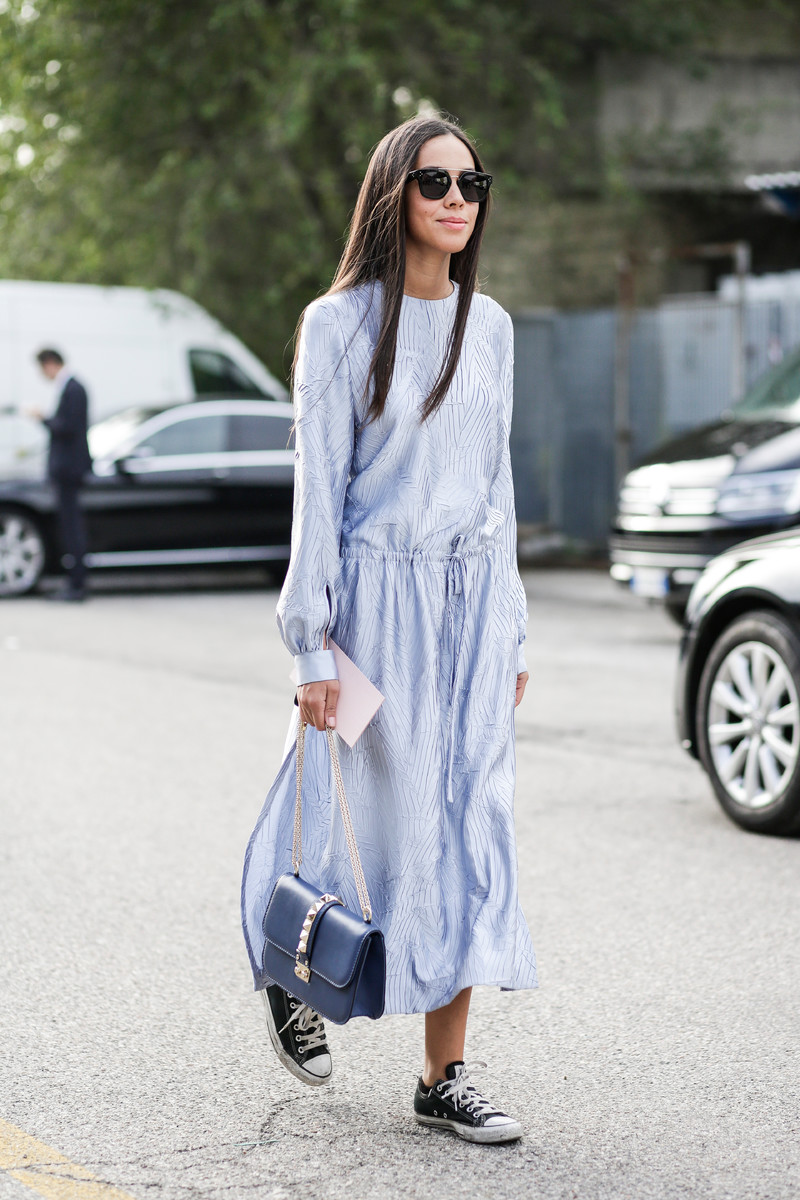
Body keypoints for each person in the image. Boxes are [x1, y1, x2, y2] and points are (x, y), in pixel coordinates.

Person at [241, 114, 537, 1144]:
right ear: (392, 194)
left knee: (464, 827)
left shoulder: (489, 327)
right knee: (351, 819)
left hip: (470, 611)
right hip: (370, 612)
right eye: (434, 181)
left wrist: (513, 628)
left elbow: (497, 486)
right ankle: (293, 964)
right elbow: (317, 496)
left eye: (471, 184)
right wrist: (310, 644)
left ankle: (442, 1075)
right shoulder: (338, 325)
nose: (457, 200)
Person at [30, 349, 92, 601]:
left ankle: (77, 585)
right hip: (67, 469)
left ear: (50, 363)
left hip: (69, 469)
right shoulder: (70, 388)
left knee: (72, 527)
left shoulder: (73, 389)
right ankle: (73, 583)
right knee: (69, 527)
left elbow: (67, 428)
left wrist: (42, 418)